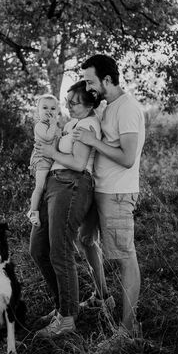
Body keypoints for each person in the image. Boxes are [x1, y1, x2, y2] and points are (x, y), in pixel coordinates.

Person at [73, 54, 145, 339]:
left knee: (125, 257)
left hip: (117, 192)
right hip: (98, 188)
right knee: (86, 239)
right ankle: (103, 295)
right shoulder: (106, 106)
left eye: (91, 81)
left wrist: (93, 142)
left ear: (107, 79)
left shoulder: (127, 109)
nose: (87, 86)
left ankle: (128, 329)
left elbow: (128, 158)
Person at [29, 80, 101, 337]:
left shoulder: (87, 125)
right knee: (38, 249)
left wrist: (49, 150)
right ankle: (63, 306)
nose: (68, 106)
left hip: (72, 184)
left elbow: (80, 163)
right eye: (67, 101)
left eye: (74, 102)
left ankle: (67, 318)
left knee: (59, 250)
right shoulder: (70, 124)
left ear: (88, 103)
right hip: (53, 184)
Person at [27, 94, 61, 227]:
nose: (49, 111)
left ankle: (41, 210)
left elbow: (57, 140)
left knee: (47, 187)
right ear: (38, 112)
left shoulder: (54, 126)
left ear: (57, 112)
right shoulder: (39, 126)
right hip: (41, 159)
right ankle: (33, 212)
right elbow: (47, 138)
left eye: (53, 108)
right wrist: (53, 125)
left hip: (50, 159)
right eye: (45, 108)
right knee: (40, 187)